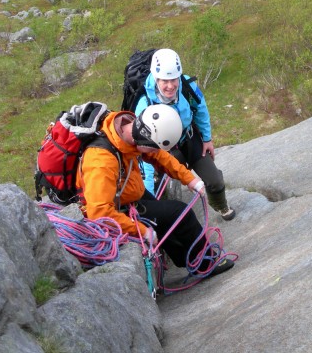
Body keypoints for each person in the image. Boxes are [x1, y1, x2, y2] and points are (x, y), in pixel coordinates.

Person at [76, 103, 234, 276]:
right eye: (153, 146)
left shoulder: (126, 128)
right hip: (115, 207)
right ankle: (204, 264)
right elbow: (99, 213)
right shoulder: (101, 160)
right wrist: (142, 231)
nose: (154, 151)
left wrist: (189, 179)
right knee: (180, 212)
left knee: (165, 215)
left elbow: (158, 155)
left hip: (125, 193)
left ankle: (186, 258)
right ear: (142, 138)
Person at [135, 48, 236, 221]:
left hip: (189, 139)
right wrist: (150, 198)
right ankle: (166, 220)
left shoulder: (187, 86)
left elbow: (200, 109)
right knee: (164, 192)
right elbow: (145, 151)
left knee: (215, 181)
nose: (170, 86)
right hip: (164, 151)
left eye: (173, 79)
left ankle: (220, 205)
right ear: (156, 78)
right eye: (164, 81)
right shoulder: (145, 104)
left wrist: (206, 139)